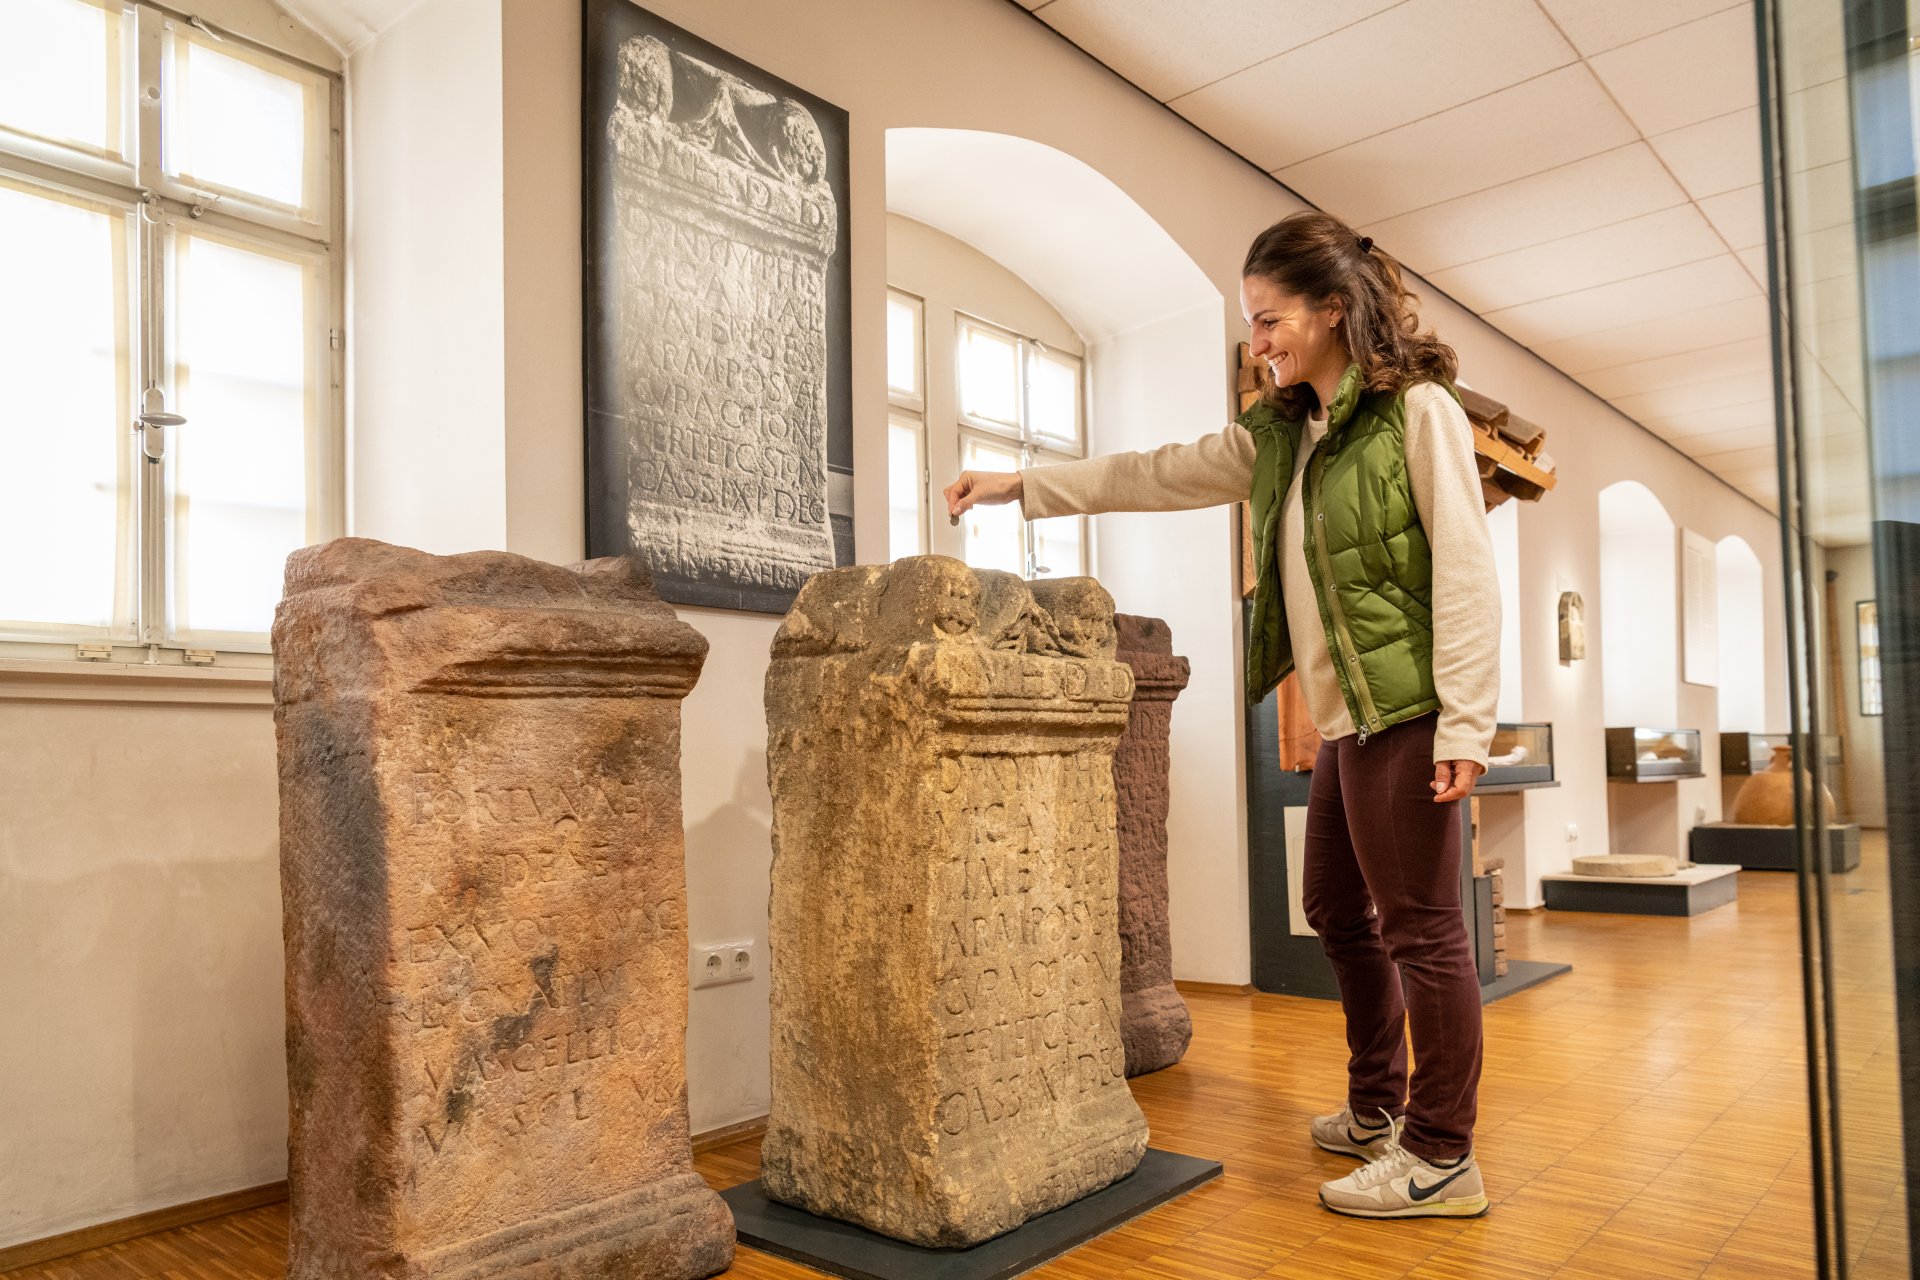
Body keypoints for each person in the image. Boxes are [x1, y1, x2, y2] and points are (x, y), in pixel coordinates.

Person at [943, 210, 1499, 1221]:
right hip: (1345, 717)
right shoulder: (1287, 432)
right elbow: (1154, 471)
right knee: (1335, 905)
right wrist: (1023, 483)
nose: (1260, 340)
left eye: (1270, 318)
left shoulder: (1418, 413)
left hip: (1408, 710)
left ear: (1335, 309)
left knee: (1423, 928)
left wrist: (1466, 727)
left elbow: (1466, 569)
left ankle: (1442, 1152)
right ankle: (1377, 1103)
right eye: (1252, 324)